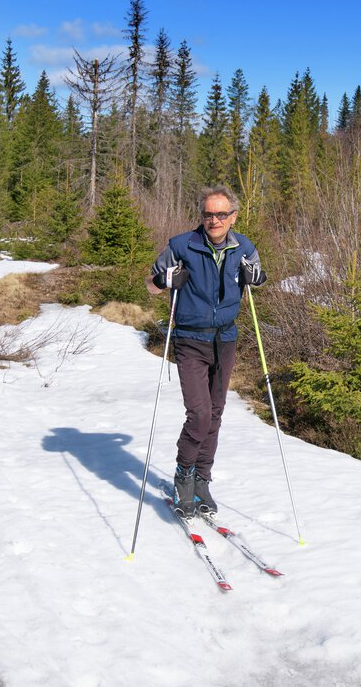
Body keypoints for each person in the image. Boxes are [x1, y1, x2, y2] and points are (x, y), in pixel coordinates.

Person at [146, 185, 267, 519]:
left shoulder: (243, 247)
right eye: (208, 214)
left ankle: (202, 478)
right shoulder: (181, 245)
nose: (214, 220)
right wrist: (166, 279)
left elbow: (258, 278)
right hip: (189, 339)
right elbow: (151, 285)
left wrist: (255, 276)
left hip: (225, 339)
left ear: (233, 216)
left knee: (215, 413)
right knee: (199, 414)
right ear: (202, 216)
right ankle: (183, 474)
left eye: (221, 214)